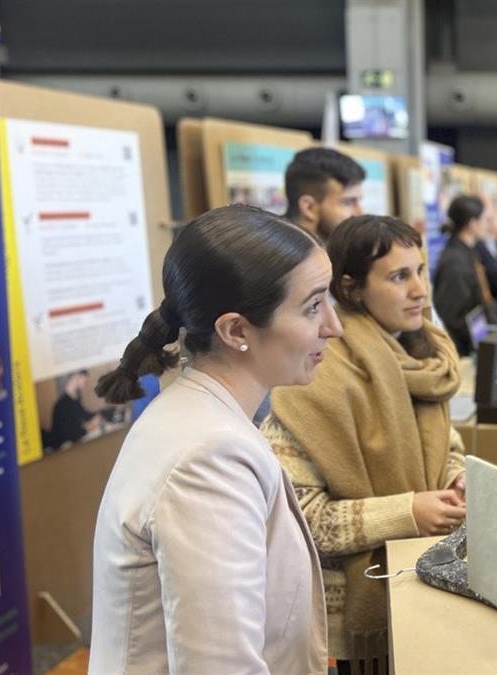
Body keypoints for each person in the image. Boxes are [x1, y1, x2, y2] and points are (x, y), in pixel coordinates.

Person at [89, 205, 340, 674]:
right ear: (235, 330)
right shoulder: (208, 457)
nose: (333, 326)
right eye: (312, 307)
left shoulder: (201, 417)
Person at [261, 215, 468, 672]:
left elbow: (444, 440)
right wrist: (408, 512)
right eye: (398, 277)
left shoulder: (422, 355)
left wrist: (456, 475)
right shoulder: (318, 376)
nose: (419, 290)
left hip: (431, 576)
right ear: (352, 288)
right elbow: (305, 521)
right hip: (356, 615)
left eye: (420, 271)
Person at [433, 195, 497, 355]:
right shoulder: (455, 263)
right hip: (462, 352)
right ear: (473, 224)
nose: (488, 225)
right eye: (485, 220)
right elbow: (456, 319)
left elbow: (481, 300)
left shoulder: (469, 252)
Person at [284, 146, 366, 244]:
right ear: (309, 207)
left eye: (358, 201)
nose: (359, 213)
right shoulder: (272, 256)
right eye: (348, 202)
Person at [47, 369, 102, 449]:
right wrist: (88, 428)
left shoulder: (75, 399)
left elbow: (84, 414)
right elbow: (69, 435)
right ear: (76, 376)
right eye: (84, 381)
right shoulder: (61, 405)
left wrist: (99, 414)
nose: (84, 385)